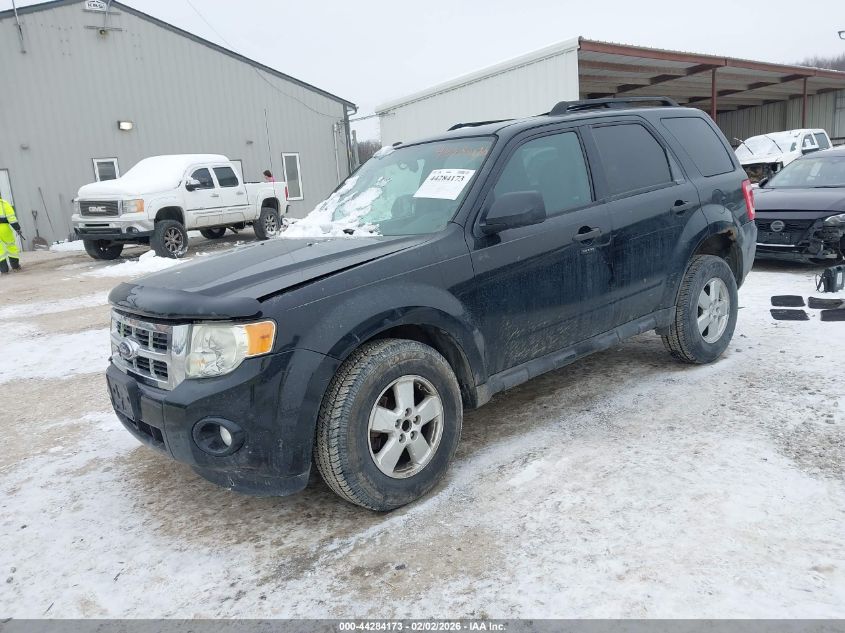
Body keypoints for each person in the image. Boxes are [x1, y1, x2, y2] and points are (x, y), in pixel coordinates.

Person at [0, 197, 23, 274]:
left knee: (0, 251)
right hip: (4, 228)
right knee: (11, 246)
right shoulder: (3, 204)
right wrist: (17, 228)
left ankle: (4, 270)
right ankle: (15, 266)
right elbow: (11, 218)